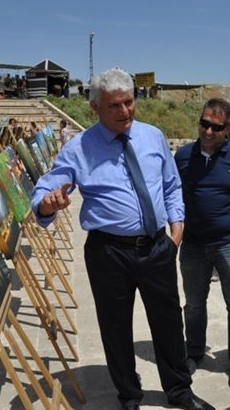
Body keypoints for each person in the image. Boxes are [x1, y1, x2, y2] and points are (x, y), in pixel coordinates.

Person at [31, 68, 214, 410]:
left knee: (169, 322)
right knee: (115, 327)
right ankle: (129, 395)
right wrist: (46, 203)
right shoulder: (79, 148)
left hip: (157, 246)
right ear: (95, 107)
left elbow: (171, 184)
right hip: (108, 252)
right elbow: (45, 189)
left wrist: (177, 228)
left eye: (129, 102)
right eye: (115, 105)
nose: (125, 111)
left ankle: (179, 391)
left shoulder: (153, 136)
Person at [174, 99, 230, 391]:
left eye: (216, 126)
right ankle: (195, 353)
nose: (209, 131)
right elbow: (173, 195)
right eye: (204, 124)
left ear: (229, 128)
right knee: (194, 305)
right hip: (193, 247)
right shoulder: (183, 156)